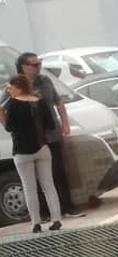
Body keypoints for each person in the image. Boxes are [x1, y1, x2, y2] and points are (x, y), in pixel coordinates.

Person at [9, 53, 82, 219]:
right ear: (23, 67)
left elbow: (58, 101)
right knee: (34, 180)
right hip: (30, 140)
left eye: (39, 64)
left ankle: (66, 208)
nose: (38, 67)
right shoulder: (16, 85)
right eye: (34, 65)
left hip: (51, 134)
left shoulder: (45, 81)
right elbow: (5, 108)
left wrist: (65, 124)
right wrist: (13, 128)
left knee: (58, 173)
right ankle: (43, 214)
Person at [1, 75, 62, 233]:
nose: (8, 90)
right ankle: (56, 219)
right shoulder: (40, 101)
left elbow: (9, 128)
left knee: (29, 188)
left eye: (10, 87)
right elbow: (50, 124)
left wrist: (1, 114)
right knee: (49, 185)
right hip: (42, 148)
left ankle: (36, 223)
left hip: (22, 152)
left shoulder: (12, 104)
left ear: (18, 87)